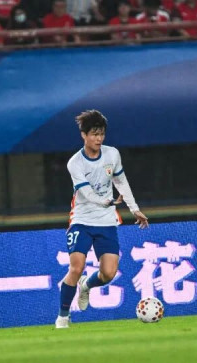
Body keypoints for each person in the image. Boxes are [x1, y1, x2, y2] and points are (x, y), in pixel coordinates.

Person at [55, 110, 149, 329]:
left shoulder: (112, 154)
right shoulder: (75, 163)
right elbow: (86, 192)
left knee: (108, 273)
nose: (99, 139)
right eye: (94, 134)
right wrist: (105, 201)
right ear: (83, 135)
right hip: (81, 220)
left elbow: (121, 182)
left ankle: (86, 285)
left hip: (106, 222)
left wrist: (135, 209)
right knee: (76, 267)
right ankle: (63, 317)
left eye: (101, 134)